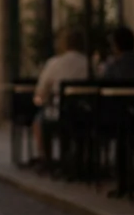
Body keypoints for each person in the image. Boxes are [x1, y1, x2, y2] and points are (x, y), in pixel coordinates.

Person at [32, 27, 90, 161]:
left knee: (39, 120)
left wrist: (41, 100)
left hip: (60, 113)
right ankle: (80, 157)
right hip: (86, 113)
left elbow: (41, 90)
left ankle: (45, 157)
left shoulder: (54, 63)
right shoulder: (88, 63)